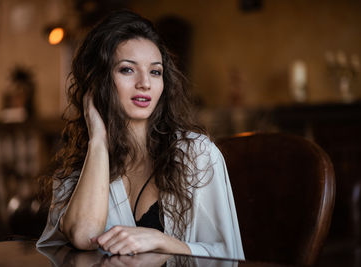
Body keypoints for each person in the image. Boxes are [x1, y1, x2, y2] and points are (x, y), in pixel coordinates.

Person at [37, 10, 244, 260]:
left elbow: (228, 256)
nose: (145, 82)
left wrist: (161, 241)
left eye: (155, 72)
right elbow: (83, 236)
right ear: (99, 81)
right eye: (127, 70)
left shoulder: (197, 154)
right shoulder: (85, 163)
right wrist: (99, 142)